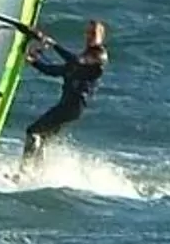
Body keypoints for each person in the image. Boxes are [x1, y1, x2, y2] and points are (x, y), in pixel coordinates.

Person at [21, 19, 107, 162]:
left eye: (93, 33)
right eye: (88, 32)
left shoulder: (99, 55)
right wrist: (33, 61)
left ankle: (24, 171)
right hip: (68, 106)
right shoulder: (79, 61)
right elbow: (54, 70)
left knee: (33, 132)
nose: (89, 35)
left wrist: (53, 45)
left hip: (73, 106)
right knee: (42, 138)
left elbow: (78, 61)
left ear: (101, 37)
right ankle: (36, 173)